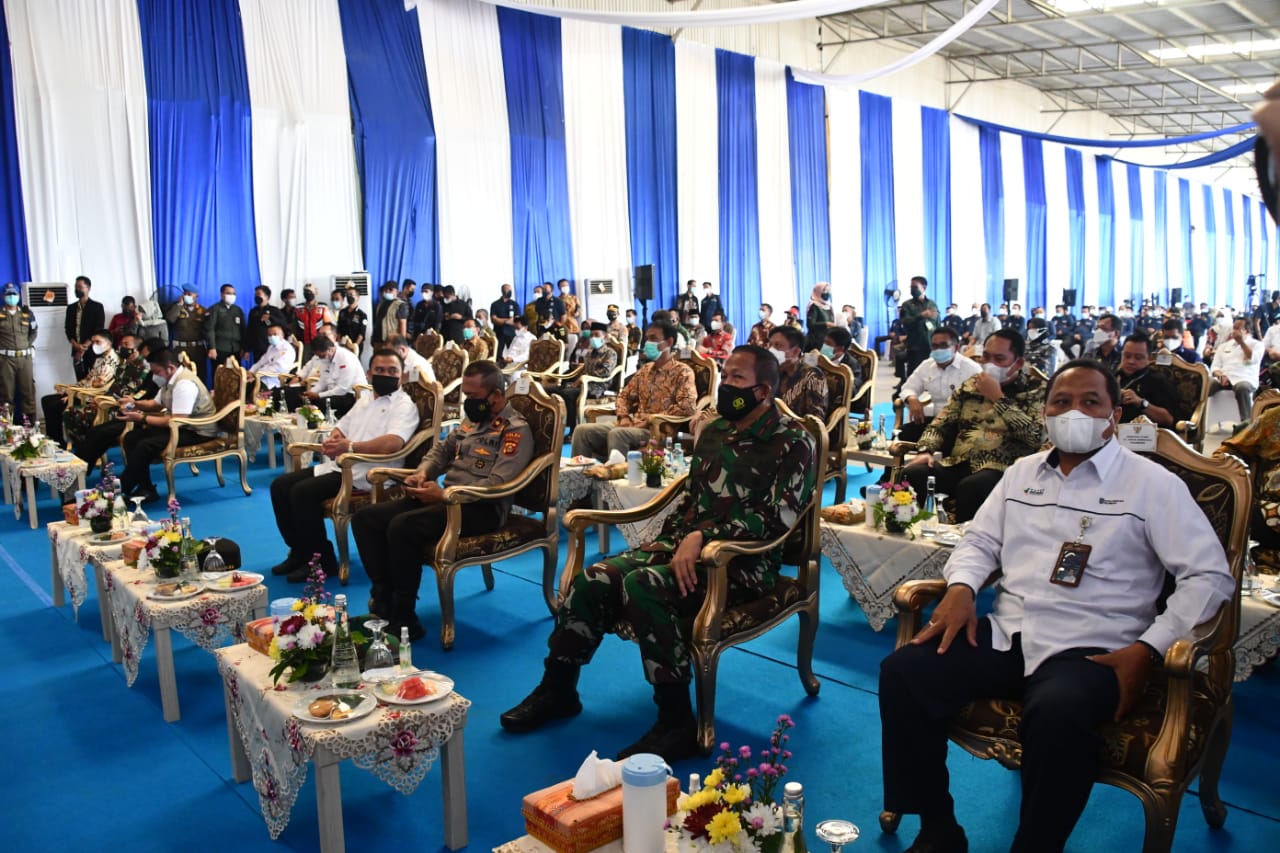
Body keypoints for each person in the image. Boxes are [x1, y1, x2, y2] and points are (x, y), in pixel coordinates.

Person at [878, 359, 1234, 853]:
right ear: (1044, 413)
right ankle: (938, 827)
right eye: (1061, 402)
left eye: (1090, 402)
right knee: (904, 671)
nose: (1074, 413)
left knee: (1057, 713)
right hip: (1011, 632)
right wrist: (962, 587)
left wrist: (1149, 648)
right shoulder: (1022, 474)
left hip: (1095, 646)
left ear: (1114, 415)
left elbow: (1209, 577)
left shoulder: (1152, 485)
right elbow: (980, 541)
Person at [500, 345, 817, 761]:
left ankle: (676, 722)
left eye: (737, 378)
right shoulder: (717, 431)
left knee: (644, 586)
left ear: (763, 391)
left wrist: (704, 537)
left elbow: (779, 518)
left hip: (743, 562)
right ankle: (558, 689)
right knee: (594, 578)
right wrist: (683, 536)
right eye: (724, 375)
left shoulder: (793, 441)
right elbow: (694, 496)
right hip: (684, 544)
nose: (725, 384)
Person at [351, 361, 533, 639]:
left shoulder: (515, 430)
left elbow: (498, 483)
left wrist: (445, 494)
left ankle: (405, 617)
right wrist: (422, 473)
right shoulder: (472, 421)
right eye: (465, 394)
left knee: (403, 527)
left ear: (496, 395)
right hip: (445, 500)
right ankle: (383, 598)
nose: (467, 401)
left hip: (483, 507)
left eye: (472, 396)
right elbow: (441, 451)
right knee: (366, 519)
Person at [270, 348, 420, 582]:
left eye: (392, 371)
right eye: (380, 370)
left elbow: (392, 444)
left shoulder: (403, 405)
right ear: (369, 373)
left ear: (402, 375)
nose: (386, 375)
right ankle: (300, 552)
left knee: (302, 493)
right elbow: (342, 426)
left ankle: (321, 561)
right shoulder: (366, 399)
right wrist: (335, 439)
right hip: (343, 466)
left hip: (371, 473)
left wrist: (349, 447)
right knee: (280, 486)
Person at [902, 329, 1046, 523]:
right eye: (986, 356)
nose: (989, 364)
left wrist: (998, 399)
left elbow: (1035, 436)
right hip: (960, 461)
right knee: (913, 474)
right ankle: (921, 537)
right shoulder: (971, 385)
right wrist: (926, 449)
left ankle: (968, 540)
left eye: (999, 359)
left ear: (1018, 363)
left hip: (1002, 467)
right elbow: (942, 421)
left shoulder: (1036, 391)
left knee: (973, 487)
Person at [571, 321, 695, 462]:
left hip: (658, 430)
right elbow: (624, 396)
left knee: (618, 434)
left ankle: (616, 475)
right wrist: (623, 416)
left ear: (669, 342)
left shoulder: (682, 372)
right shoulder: (645, 370)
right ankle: (580, 474)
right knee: (582, 431)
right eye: (647, 338)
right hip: (631, 424)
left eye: (653, 338)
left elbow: (687, 407)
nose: (648, 343)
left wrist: (649, 420)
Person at [115, 348, 218, 502]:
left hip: (198, 431)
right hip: (182, 427)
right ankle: (145, 488)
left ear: (170, 368)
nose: (154, 376)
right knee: (131, 438)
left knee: (145, 445)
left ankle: (120, 488)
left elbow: (177, 420)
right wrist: (135, 403)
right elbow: (156, 404)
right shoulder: (169, 380)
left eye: (156, 372)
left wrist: (142, 418)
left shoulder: (184, 384)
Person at [66, 335, 158, 472]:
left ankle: (80, 470)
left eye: (127, 344)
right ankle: (79, 469)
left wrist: (131, 405)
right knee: (95, 431)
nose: (122, 347)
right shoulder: (132, 366)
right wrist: (123, 402)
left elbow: (146, 399)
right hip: (127, 409)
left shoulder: (150, 371)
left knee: (99, 432)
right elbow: (129, 393)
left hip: (138, 416)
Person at [898, 327, 982, 444]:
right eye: (934, 346)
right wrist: (912, 399)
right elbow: (907, 388)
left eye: (943, 345)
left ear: (955, 347)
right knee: (903, 434)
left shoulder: (971, 369)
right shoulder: (927, 365)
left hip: (961, 424)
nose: (938, 350)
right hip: (936, 421)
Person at [41, 329, 118, 445]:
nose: (94, 345)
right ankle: (53, 439)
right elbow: (87, 380)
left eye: (98, 342)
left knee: (54, 405)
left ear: (108, 343)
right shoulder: (100, 359)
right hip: (82, 391)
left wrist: (73, 394)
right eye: (93, 342)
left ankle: (58, 442)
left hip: (91, 397)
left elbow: (98, 386)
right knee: (46, 400)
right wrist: (68, 389)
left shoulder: (111, 361)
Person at [551, 322, 618, 432]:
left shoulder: (610, 353)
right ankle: (557, 425)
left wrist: (583, 378)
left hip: (597, 386)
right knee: (554, 390)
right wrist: (575, 379)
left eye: (596, 335)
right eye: (592, 335)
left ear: (605, 337)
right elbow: (584, 368)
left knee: (567, 394)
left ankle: (573, 428)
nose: (593, 338)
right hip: (583, 383)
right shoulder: (590, 353)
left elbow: (605, 372)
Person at [286, 334, 366, 417]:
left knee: (319, 403)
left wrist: (318, 395)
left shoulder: (346, 358)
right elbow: (322, 382)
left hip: (351, 395)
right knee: (300, 398)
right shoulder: (326, 358)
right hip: (333, 392)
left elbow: (342, 389)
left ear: (330, 349)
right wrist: (311, 393)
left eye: (322, 356)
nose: (320, 358)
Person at [1115, 332, 1177, 427]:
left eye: (1138, 358)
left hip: (1142, 433)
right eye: (1127, 356)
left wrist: (1140, 402)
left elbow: (1168, 419)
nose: (1131, 361)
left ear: (1149, 358)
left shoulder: (1158, 380)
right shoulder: (1114, 376)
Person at [1209, 317, 1262, 425]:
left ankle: (1247, 423)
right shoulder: (1223, 346)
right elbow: (1215, 367)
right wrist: (1220, 375)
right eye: (1234, 328)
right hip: (1224, 378)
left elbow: (1253, 359)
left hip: (1245, 378)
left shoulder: (1257, 345)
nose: (1235, 331)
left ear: (1247, 330)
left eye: (1239, 328)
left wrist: (1241, 342)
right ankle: (1198, 418)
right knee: (1207, 384)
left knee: (1242, 387)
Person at [769, 326, 828, 420]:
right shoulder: (773, 372)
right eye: (770, 345)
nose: (771, 350)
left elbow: (815, 418)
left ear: (795, 351)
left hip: (796, 427)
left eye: (778, 345)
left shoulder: (812, 375)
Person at [0, 282, 38, 419]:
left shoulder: (27, 314)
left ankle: (30, 426)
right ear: (3, 296)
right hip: (5, 360)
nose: (11, 296)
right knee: (5, 394)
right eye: (8, 294)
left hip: (24, 359)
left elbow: (34, 331)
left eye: (14, 294)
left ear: (19, 296)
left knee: (28, 393)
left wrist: (26, 345)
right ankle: (6, 427)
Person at [64, 275, 104, 381]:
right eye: (76, 287)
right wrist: (76, 346)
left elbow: (99, 329)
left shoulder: (97, 307)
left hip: (93, 350)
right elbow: (68, 329)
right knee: (80, 381)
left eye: (80, 287)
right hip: (76, 349)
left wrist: (83, 348)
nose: (77, 289)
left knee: (94, 381)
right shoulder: (71, 308)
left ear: (88, 288)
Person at [898, 277, 940, 376]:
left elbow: (937, 323)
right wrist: (921, 316)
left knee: (932, 373)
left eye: (915, 287)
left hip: (931, 344)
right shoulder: (907, 305)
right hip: (915, 345)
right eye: (911, 287)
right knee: (914, 374)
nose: (913, 289)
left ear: (924, 288)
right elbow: (905, 322)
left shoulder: (932, 304)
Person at [164, 285, 207, 372]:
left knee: (200, 374)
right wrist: (179, 305)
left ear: (196, 296)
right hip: (180, 349)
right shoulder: (177, 308)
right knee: (181, 374)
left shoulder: (202, 311)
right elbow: (170, 319)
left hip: (197, 349)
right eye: (185, 294)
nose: (186, 296)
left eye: (189, 294)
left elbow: (208, 329)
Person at [205, 284, 244, 378]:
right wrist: (212, 348)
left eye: (234, 294)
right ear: (222, 294)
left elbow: (243, 329)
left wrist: (243, 347)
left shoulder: (237, 310)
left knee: (236, 376)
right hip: (220, 349)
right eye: (229, 293)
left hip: (235, 349)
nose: (232, 296)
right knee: (220, 376)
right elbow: (210, 329)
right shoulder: (215, 309)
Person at [248, 324, 296, 390]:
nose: (272, 337)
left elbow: (277, 368)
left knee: (246, 387)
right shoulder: (271, 347)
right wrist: (251, 371)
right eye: (269, 335)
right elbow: (261, 362)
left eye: (275, 334)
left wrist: (256, 374)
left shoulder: (286, 349)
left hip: (273, 382)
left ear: (282, 335)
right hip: (261, 376)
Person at [246, 286, 286, 361]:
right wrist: (247, 349)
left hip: (271, 346)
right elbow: (250, 330)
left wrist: (271, 318)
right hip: (257, 347)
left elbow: (283, 324)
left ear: (267, 297)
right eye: (255, 295)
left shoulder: (274, 310)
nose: (256, 296)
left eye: (259, 294)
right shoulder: (253, 311)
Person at [372, 280, 409, 348]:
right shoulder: (381, 304)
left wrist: (401, 344)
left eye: (390, 289)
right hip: (377, 340)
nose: (387, 291)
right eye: (386, 289)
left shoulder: (400, 305)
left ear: (397, 292)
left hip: (391, 342)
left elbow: (403, 325)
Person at [296, 285, 326, 361]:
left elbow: (328, 324)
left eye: (310, 291)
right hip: (304, 343)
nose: (308, 293)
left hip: (320, 342)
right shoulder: (298, 308)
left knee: (320, 363)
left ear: (316, 292)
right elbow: (294, 325)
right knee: (306, 363)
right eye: (305, 291)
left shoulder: (323, 307)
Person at [491, 284, 521, 361]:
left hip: (511, 332)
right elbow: (494, 319)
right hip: (499, 332)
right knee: (497, 354)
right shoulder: (495, 304)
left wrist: (501, 320)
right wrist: (507, 321)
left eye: (510, 289)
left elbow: (516, 319)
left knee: (513, 353)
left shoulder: (514, 304)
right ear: (502, 290)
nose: (510, 291)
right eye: (508, 289)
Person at [337, 286, 368, 357]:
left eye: (351, 294)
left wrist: (354, 346)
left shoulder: (362, 315)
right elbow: (339, 330)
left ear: (357, 297)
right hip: (343, 344)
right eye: (347, 295)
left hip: (355, 344)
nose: (349, 297)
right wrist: (339, 344)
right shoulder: (342, 312)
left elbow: (361, 334)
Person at [804, 283, 835, 351]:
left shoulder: (829, 306)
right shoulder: (814, 306)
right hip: (815, 341)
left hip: (828, 340)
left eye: (829, 291)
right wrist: (826, 324)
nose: (827, 293)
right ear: (818, 291)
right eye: (825, 291)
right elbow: (810, 325)